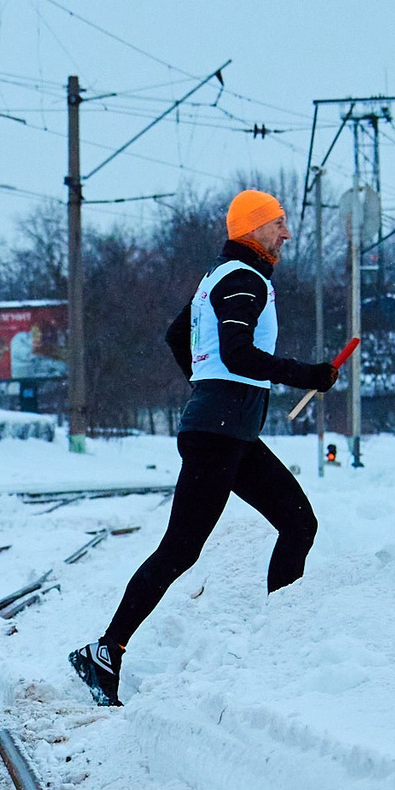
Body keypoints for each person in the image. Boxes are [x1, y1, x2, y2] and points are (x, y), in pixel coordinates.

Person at [69, 189, 347, 706]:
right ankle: (104, 651)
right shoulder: (244, 280)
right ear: (254, 229)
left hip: (228, 431)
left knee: (298, 522)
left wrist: (205, 384)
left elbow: (180, 337)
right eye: (278, 224)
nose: (286, 234)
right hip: (220, 434)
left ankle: (278, 645)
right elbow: (238, 354)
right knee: (180, 550)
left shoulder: (218, 280)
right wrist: (305, 374)